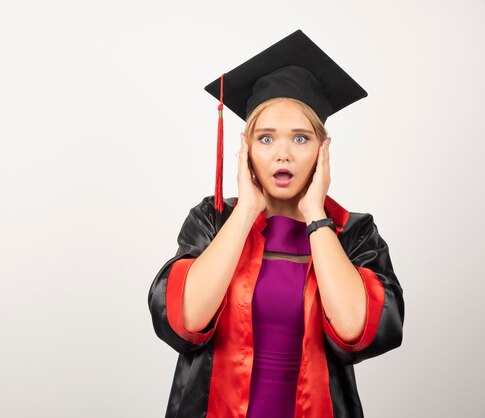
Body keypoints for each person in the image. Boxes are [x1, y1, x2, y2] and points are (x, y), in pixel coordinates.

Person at [148, 30, 404, 418]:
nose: (283, 153)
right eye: (266, 139)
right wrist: (247, 209)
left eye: (300, 139)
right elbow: (186, 320)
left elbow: (355, 330)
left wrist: (317, 214)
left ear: (323, 149)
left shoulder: (353, 233)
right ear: (246, 149)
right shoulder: (213, 221)